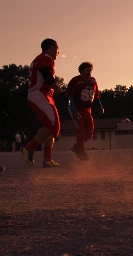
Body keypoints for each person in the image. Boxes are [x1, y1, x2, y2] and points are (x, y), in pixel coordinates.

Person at [22, 38, 73, 168]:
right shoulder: (45, 58)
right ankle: (29, 148)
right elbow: (47, 77)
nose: (58, 53)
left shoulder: (40, 59)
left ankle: (47, 159)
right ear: (51, 48)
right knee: (53, 125)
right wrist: (61, 93)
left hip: (43, 95)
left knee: (51, 128)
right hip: (39, 95)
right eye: (57, 49)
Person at [65, 62, 103, 161]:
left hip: (87, 109)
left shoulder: (93, 81)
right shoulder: (75, 81)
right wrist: (73, 110)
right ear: (81, 70)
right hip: (77, 108)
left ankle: (77, 147)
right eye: (87, 70)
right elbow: (70, 97)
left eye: (90, 71)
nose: (89, 73)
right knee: (81, 131)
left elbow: (96, 95)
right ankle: (81, 153)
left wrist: (99, 105)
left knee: (90, 132)